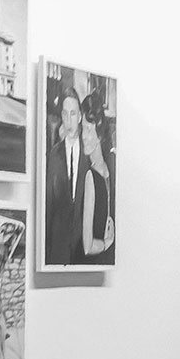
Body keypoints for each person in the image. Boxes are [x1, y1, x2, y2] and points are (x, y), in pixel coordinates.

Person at [44, 84, 89, 265]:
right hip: (58, 248)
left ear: (80, 117)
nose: (69, 120)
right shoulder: (54, 155)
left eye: (73, 114)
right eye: (65, 114)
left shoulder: (89, 153)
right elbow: (49, 204)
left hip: (82, 249)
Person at [79, 92, 116, 263]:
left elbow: (87, 247)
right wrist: (107, 244)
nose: (83, 136)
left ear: (99, 135)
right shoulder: (101, 172)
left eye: (88, 129)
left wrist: (107, 244)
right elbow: (87, 247)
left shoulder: (94, 176)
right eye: (82, 129)